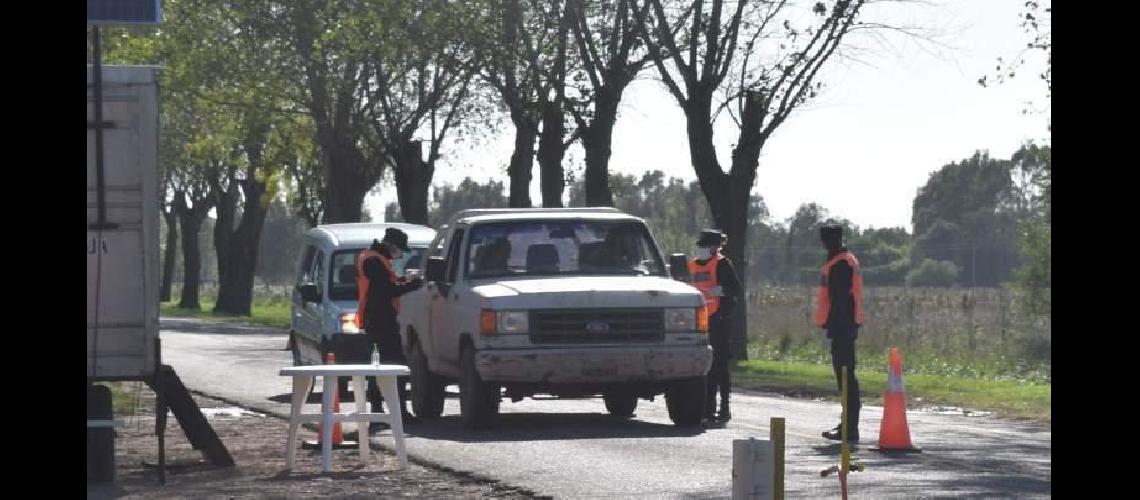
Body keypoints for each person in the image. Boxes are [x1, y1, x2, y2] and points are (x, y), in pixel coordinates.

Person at [355, 227, 425, 428]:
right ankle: (396, 412)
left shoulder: (373, 258)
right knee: (395, 366)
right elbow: (386, 291)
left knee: (379, 367)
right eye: (400, 250)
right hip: (380, 322)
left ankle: (382, 413)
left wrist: (404, 280)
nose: (400, 254)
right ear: (392, 246)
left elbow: (386, 285)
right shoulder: (374, 261)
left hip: (377, 320)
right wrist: (414, 285)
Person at [687, 229, 742, 423]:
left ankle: (723, 407)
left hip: (718, 320)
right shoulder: (691, 265)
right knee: (704, 367)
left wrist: (722, 290)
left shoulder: (722, 264)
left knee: (719, 365)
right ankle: (706, 409)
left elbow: (735, 289)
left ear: (714, 247)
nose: (702, 248)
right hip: (698, 322)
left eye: (707, 245)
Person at [816, 224, 864, 442]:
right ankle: (846, 424)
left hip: (843, 327)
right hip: (843, 327)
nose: (824, 244)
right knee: (845, 377)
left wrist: (837, 326)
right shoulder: (841, 260)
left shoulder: (841, 263)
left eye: (825, 240)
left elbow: (841, 299)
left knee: (845, 378)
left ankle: (849, 428)